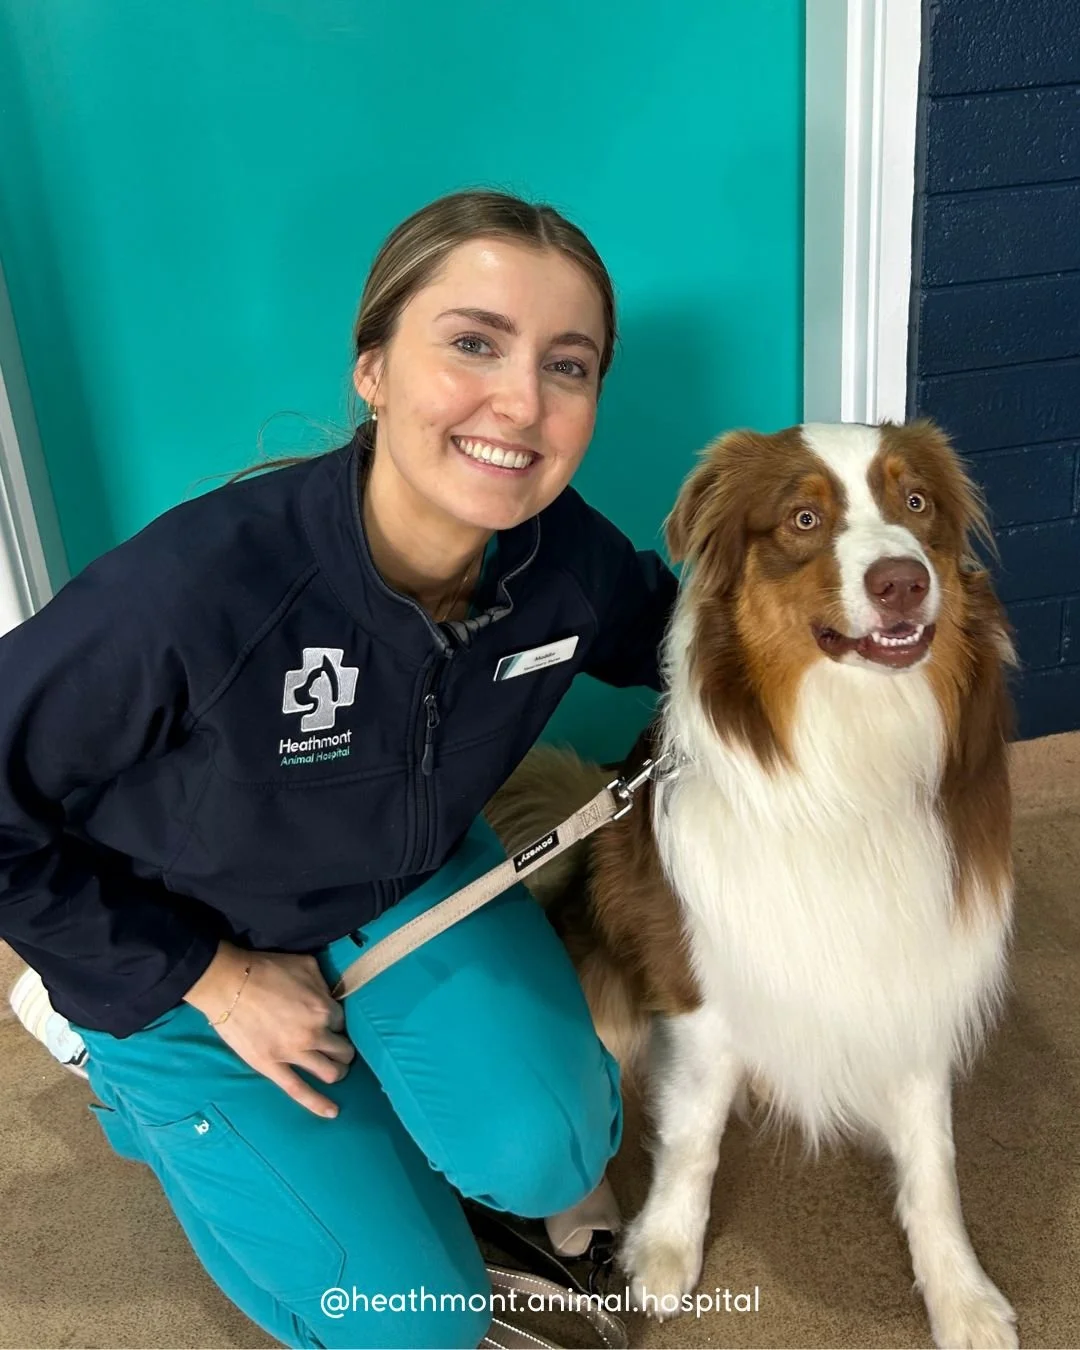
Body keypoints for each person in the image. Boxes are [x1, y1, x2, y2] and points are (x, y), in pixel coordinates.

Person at [0, 189, 678, 1349]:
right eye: (473, 342)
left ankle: (412, 1087)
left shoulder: (566, 561)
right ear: (372, 369)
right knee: (416, 1322)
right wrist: (208, 978)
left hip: (400, 881)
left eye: (569, 366)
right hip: (181, 943)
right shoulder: (198, 591)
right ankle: (113, 1064)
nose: (521, 402)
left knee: (555, 1147)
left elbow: (697, 650)